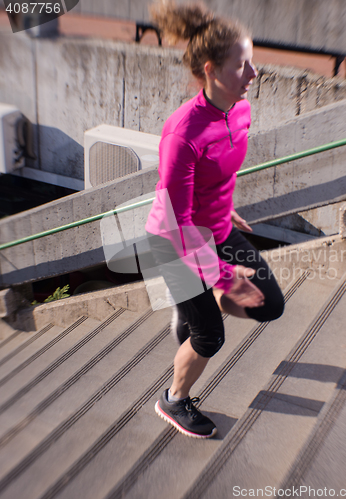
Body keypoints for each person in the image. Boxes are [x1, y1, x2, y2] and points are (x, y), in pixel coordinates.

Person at [145, 1, 285, 439]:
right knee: (210, 337)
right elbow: (175, 221)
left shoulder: (239, 111)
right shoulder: (182, 133)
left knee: (270, 304)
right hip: (174, 242)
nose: (253, 74)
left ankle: (188, 311)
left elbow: (219, 173)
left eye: (252, 61)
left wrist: (224, 209)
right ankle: (173, 400)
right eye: (242, 65)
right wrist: (224, 274)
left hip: (217, 230)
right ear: (210, 69)